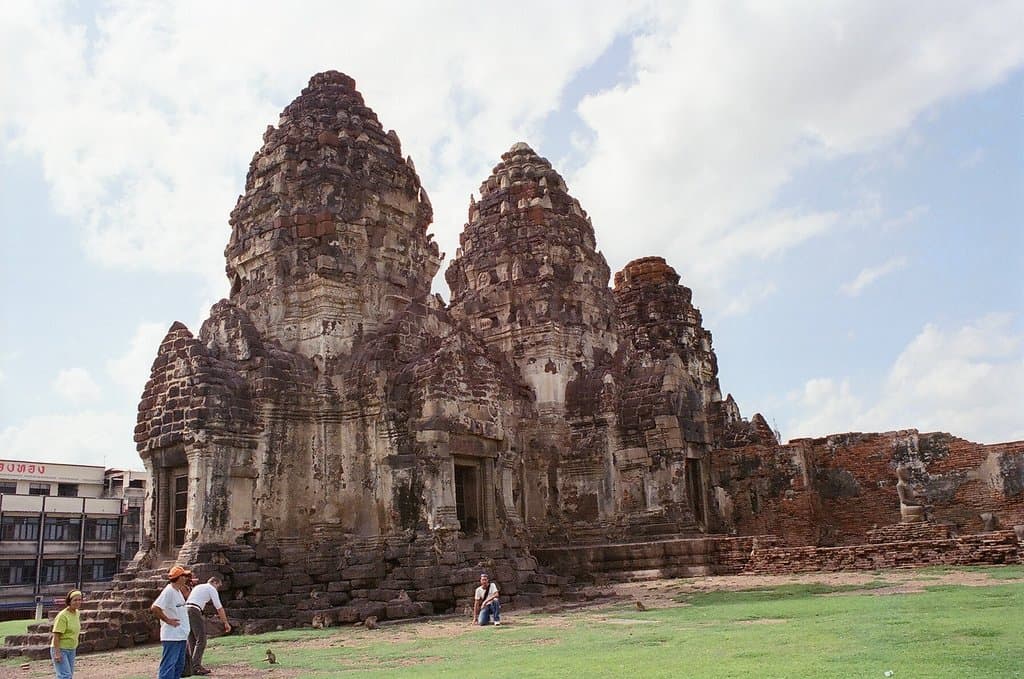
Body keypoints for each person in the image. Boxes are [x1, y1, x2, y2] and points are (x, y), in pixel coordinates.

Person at [151, 565, 193, 679]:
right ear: (179, 578)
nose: (186, 578)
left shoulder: (178, 591)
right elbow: (155, 608)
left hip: (181, 635)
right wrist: (167, 620)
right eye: (184, 576)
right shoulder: (168, 591)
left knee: (179, 666)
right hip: (172, 636)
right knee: (169, 665)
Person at [185, 577, 231, 675]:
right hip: (194, 610)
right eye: (218, 586)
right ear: (214, 582)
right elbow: (219, 607)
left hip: (186, 610)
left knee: (192, 639)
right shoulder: (211, 588)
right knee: (201, 639)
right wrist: (225, 623)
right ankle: (196, 666)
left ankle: (192, 667)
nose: (217, 589)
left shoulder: (199, 587)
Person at [50, 590, 83, 679]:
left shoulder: (77, 613)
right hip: (61, 649)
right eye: (75, 600)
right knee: (65, 676)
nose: (78, 602)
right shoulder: (62, 616)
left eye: (79, 600)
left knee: (68, 675)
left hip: (71, 649)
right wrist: (57, 653)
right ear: (69, 601)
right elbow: (56, 635)